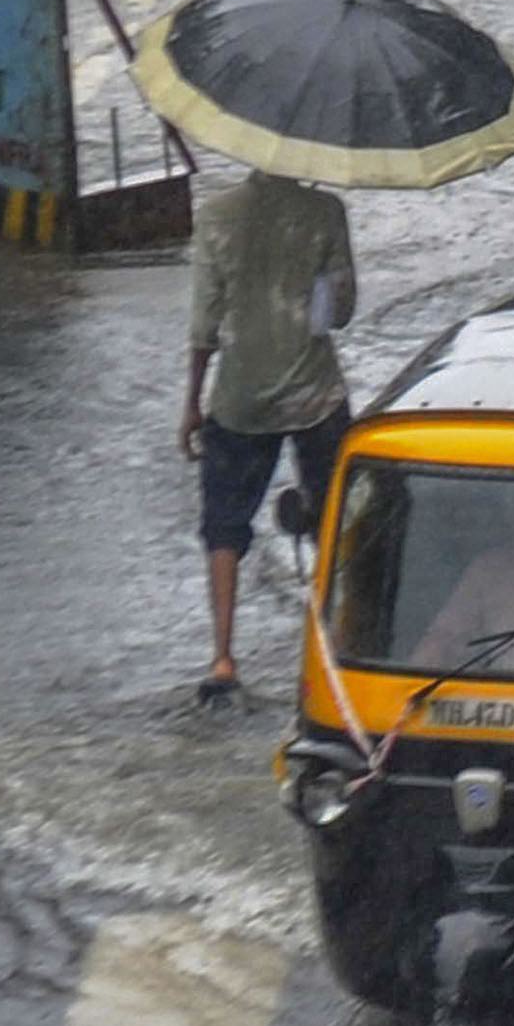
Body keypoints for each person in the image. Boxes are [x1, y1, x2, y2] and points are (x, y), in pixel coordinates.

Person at [180, 165, 356, 702]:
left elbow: (205, 323)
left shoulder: (216, 215)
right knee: (336, 515)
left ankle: (223, 658)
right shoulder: (326, 213)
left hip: (240, 395)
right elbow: (340, 313)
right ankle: (339, 640)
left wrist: (191, 402)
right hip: (315, 393)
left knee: (224, 524)